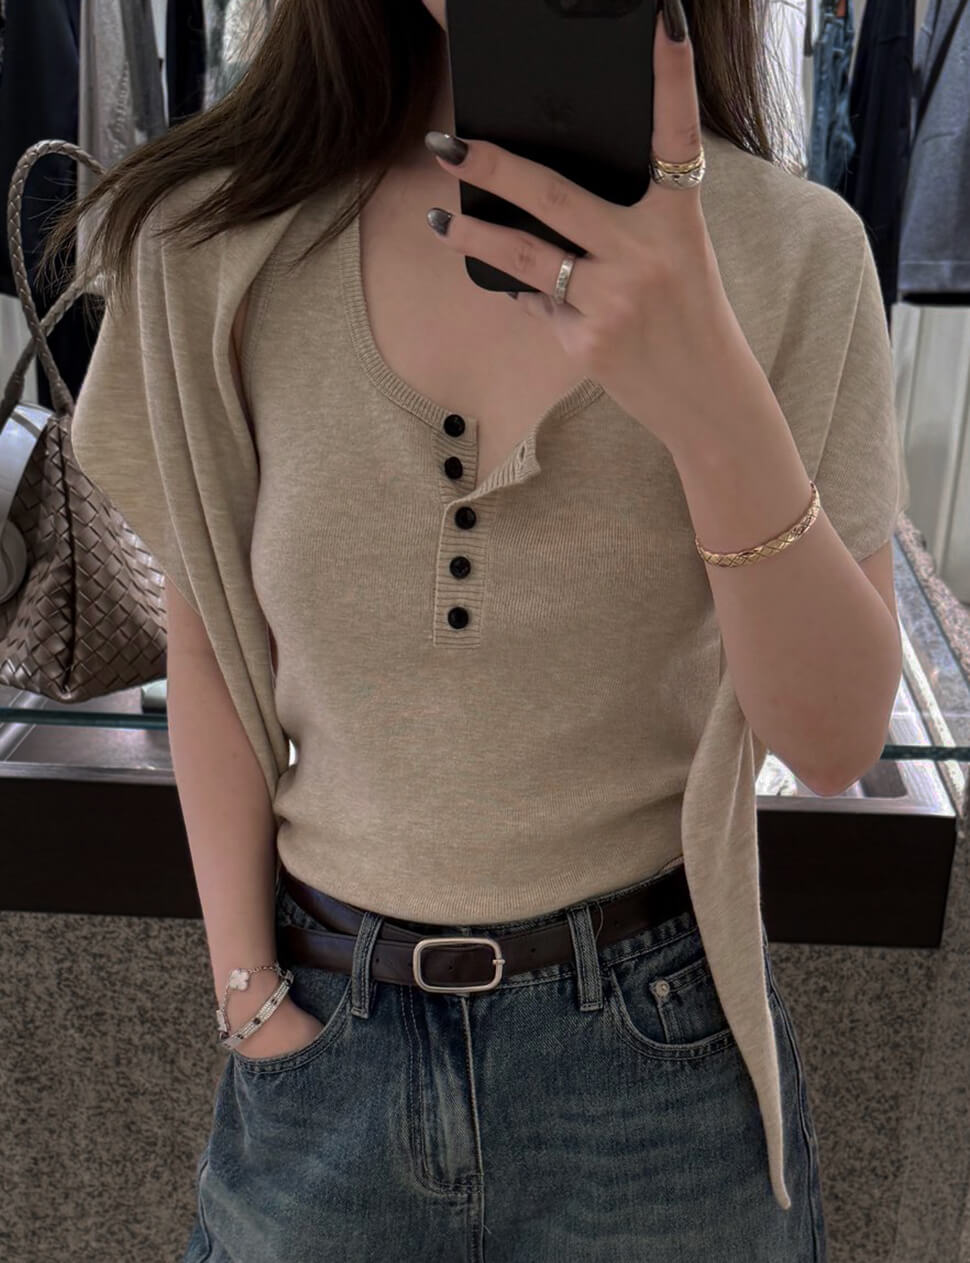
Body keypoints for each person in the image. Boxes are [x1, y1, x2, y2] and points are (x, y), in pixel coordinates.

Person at [55, 0, 908, 1257]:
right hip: (322, 1047)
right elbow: (215, 653)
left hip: (657, 1068)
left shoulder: (795, 251)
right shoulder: (212, 242)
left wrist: (709, 392)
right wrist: (249, 1000)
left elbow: (831, 742)